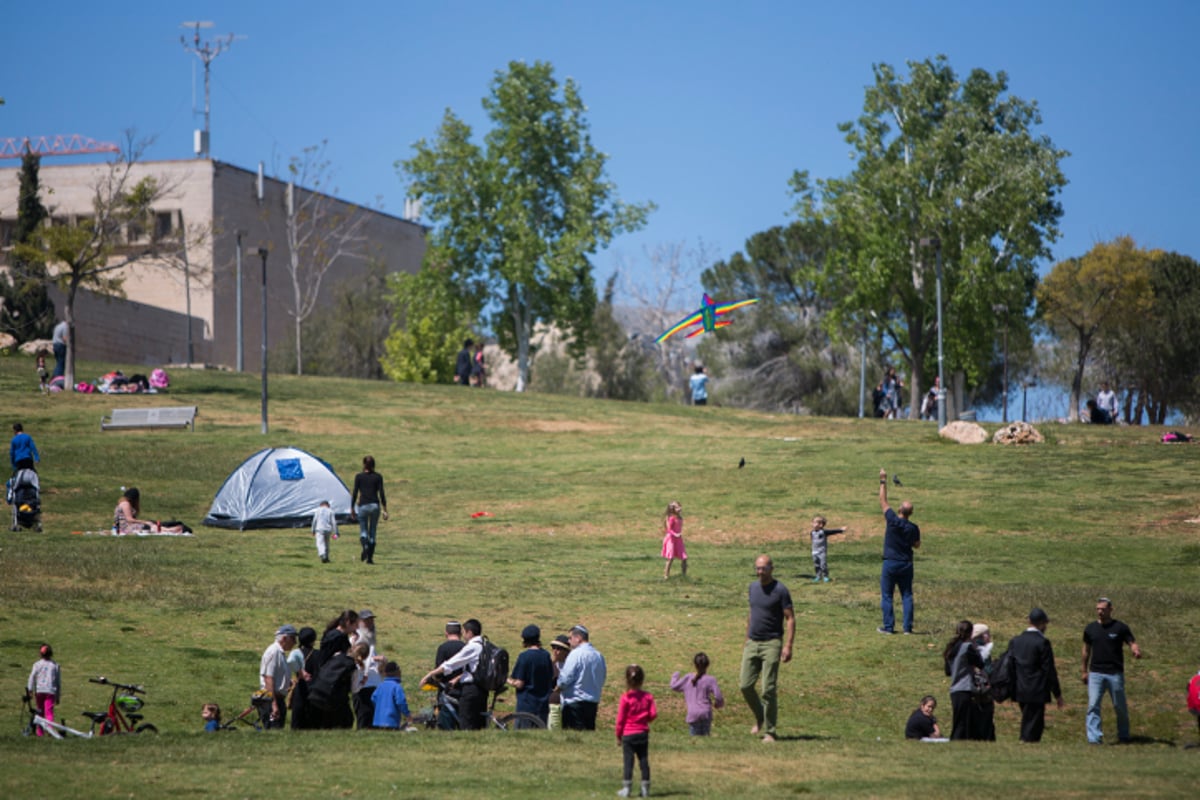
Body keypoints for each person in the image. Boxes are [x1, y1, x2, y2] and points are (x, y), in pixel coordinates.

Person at [740, 553, 795, 743]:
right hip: (752, 642)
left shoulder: (781, 590)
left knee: (768, 689)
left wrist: (788, 645)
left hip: (772, 643)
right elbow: (751, 613)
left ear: (772, 568)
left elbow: (790, 618)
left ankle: (770, 731)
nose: (760, 572)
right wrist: (746, 639)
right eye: (757, 568)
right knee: (745, 685)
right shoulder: (753, 588)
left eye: (763, 568)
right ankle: (760, 716)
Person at [1082, 596, 1142, 744]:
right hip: (1096, 673)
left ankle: (1124, 735)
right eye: (1098, 609)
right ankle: (1094, 738)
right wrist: (1084, 670)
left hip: (1114, 673)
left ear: (1110, 609)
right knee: (1093, 705)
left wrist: (1135, 650)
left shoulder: (1120, 627)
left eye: (1103, 609)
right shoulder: (1090, 629)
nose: (1100, 612)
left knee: (1119, 706)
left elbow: (1131, 642)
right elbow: (1086, 651)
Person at [1007, 607, 1064, 743]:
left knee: (1028, 719)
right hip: (1037, 689)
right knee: (1034, 724)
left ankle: (1025, 741)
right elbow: (1049, 669)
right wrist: (1057, 693)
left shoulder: (1016, 641)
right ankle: (1025, 743)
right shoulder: (1042, 642)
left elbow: (1010, 665)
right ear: (1042, 623)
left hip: (1020, 687)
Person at [421, 618, 486, 730]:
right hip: (470, 689)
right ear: (459, 633)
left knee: (456, 724)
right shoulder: (472, 646)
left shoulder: (452, 648)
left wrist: (430, 676)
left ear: (446, 633)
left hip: (452, 691)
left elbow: (447, 666)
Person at [877, 468, 920, 634]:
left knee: (887, 595)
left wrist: (883, 480)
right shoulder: (913, 527)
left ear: (900, 510)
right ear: (911, 513)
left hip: (890, 562)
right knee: (907, 595)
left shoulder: (893, 521)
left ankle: (889, 627)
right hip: (906, 563)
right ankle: (907, 628)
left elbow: (883, 500)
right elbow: (917, 545)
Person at [615, 664, 657, 798]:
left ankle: (626, 788)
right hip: (642, 732)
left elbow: (620, 719)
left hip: (628, 733)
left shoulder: (626, 698)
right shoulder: (648, 697)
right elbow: (653, 714)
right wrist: (646, 719)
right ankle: (645, 789)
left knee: (628, 761)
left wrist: (618, 735)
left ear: (627, 680)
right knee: (643, 760)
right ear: (642, 680)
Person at [557, 623, 607, 730]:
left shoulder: (575, 654)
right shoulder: (598, 656)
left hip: (574, 703)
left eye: (570, 638)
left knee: (573, 739)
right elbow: (602, 677)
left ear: (578, 638)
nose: (569, 642)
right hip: (592, 703)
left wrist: (558, 687)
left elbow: (565, 678)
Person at [943, 620, 985, 740]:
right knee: (964, 723)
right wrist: (975, 647)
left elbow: (948, 671)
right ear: (970, 633)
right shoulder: (967, 647)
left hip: (954, 690)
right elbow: (980, 663)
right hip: (965, 687)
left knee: (958, 721)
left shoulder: (951, 648)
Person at [507, 624, 554, 726]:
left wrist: (508, 680)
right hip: (542, 705)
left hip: (526, 706)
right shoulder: (546, 656)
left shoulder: (524, 657)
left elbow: (519, 683)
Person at [669, 652, 725, 736]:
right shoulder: (711, 679)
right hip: (706, 713)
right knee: (705, 740)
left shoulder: (688, 678)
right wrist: (718, 704)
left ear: (694, 665)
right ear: (708, 665)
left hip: (693, 714)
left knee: (694, 739)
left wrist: (675, 676)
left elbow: (674, 686)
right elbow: (719, 696)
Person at [349, 455, 388, 564]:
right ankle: (370, 559)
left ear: (364, 464)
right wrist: (385, 509)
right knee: (373, 531)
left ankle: (365, 546)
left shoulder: (359, 477)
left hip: (363, 505)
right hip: (375, 505)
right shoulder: (378, 477)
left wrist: (352, 507)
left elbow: (355, 492)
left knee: (363, 531)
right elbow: (381, 493)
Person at [351, 609, 385, 730]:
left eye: (371, 621)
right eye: (366, 621)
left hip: (372, 685)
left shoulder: (368, 640)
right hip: (363, 686)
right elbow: (356, 658)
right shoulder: (357, 639)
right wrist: (377, 658)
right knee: (365, 719)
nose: (370, 624)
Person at [260, 624, 297, 729]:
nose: (295, 642)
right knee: (273, 729)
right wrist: (274, 704)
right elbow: (268, 678)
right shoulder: (274, 652)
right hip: (271, 699)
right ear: (284, 638)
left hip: (278, 698)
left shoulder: (280, 653)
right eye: (293, 638)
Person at [112, 487, 190, 534]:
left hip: (123, 527)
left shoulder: (121, 503)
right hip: (127, 527)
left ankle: (170, 529)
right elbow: (129, 519)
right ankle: (170, 530)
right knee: (150, 525)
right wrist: (144, 522)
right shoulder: (126, 504)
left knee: (151, 524)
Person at [434, 621, 466, 731]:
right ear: (460, 633)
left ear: (446, 633)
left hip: (446, 691)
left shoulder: (443, 648)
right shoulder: (466, 647)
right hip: (463, 690)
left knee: (446, 725)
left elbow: (439, 671)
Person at [26, 644, 60, 736]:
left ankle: (39, 732)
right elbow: (57, 682)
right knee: (49, 712)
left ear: (40, 654)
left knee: (39, 711)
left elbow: (31, 677)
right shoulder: (55, 665)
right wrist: (57, 696)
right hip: (50, 691)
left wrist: (30, 689)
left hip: (40, 691)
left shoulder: (37, 665)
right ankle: (49, 730)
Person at [290, 626, 319, 730]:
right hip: (315, 689)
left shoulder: (296, 653)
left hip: (300, 688)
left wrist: (299, 671)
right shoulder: (318, 654)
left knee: (298, 719)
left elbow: (290, 662)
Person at [972, 623, 997, 741]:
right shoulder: (984, 650)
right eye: (988, 633)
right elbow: (986, 670)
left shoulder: (971, 647)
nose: (989, 636)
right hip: (983, 692)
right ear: (982, 636)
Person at [372, 662, 411, 730]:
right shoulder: (396, 686)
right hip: (391, 722)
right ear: (396, 672)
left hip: (378, 721)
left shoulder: (380, 686)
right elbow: (401, 702)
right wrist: (407, 714)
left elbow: (373, 698)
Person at [809, 515, 846, 583]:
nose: (813, 524)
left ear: (821, 525)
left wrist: (841, 530)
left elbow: (832, 531)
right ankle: (818, 576)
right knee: (816, 565)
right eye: (813, 522)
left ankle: (825, 576)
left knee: (823, 564)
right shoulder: (812, 532)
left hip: (822, 552)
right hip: (814, 552)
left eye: (815, 523)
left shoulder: (823, 532)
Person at [547, 634, 571, 730]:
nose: (555, 651)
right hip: (554, 705)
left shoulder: (570, 666)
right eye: (553, 648)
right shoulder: (551, 666)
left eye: (559, 649)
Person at [661, 500, 687, 579]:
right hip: (671, 539)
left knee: (684, 557)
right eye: (677, 507)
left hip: (678, 539)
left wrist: (678, 535)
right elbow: (669, 529)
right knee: (670, 557)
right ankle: (666, 575)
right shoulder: (671, 518)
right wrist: (675, 534)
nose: (679, 508)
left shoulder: (679, 517)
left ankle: (684, 575)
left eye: (679, 506)